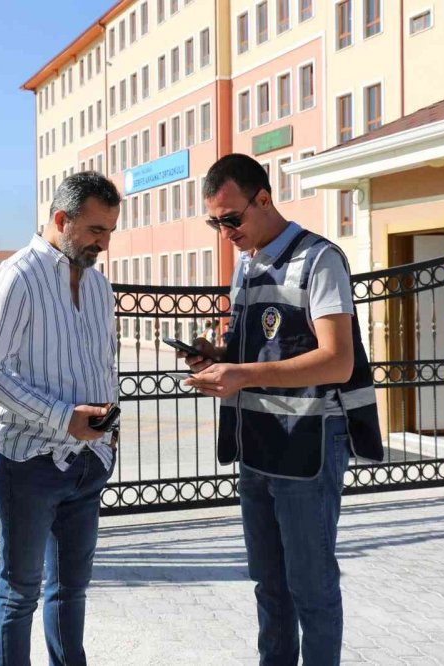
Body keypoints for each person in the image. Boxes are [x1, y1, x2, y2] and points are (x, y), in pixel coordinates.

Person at [181, 154, 384, 666]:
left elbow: (337, 361)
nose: (225, 231)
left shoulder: (319, 260)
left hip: (306, 452)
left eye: (231, 218)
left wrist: (242, 374)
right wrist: (219, 356)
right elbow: (257, 350)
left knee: (310, 589)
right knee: (268, 588)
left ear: (264, 199)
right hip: (257, 448)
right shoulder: (246, 267)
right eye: (215, 222)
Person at [0, 171, 120, 666]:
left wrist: (102, 439)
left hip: (88, 463)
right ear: (62, 219)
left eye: (110, 231)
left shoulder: (99, 288)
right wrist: (63, 418)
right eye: (97, 230)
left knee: (71, 593)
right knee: (19, 595)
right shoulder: (16, 278)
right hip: (28, 463)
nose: (104, 242)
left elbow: (103, 366)